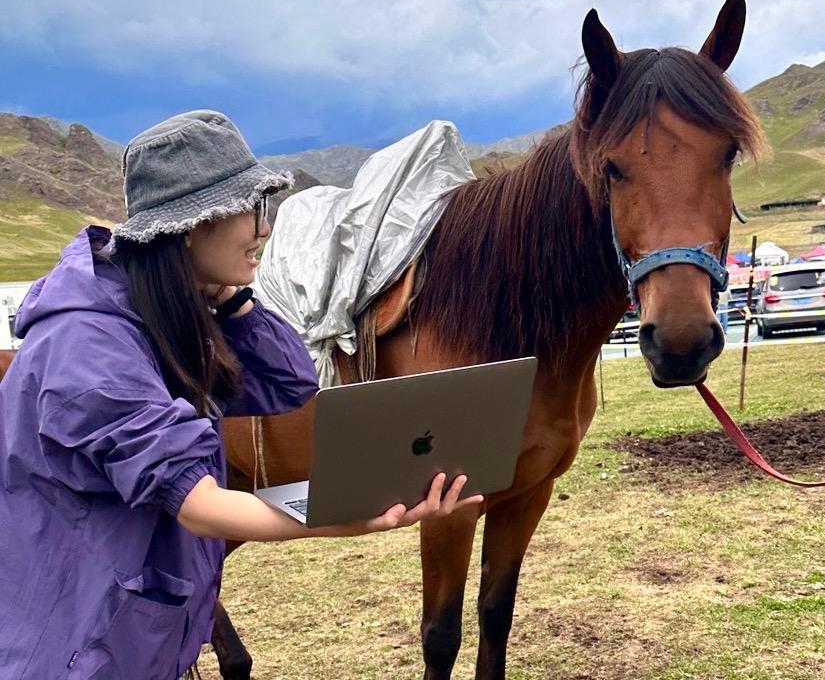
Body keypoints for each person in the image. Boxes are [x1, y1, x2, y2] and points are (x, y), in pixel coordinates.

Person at [0, 111, 481, 680]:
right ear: (191, 225)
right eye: (253, 208)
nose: (265, 229)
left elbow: (289, 382)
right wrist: (353, 513)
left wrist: (233, 300)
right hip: (67, 645)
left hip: (119, 634)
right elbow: (202, 506)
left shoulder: (164, 316)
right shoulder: (88, 342)